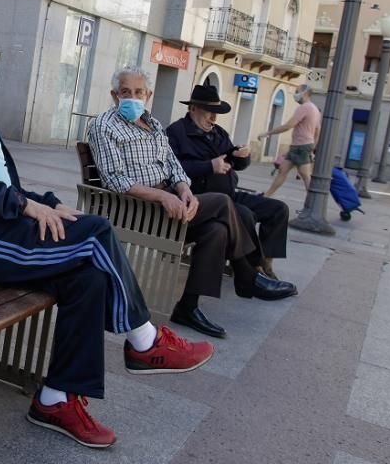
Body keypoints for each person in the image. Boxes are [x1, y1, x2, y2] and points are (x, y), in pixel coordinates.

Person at [0, 20, 214, 450]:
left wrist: (45, 199)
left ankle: (56, 398)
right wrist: (25, 206)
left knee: (87, 278)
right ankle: (145, 341)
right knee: (94, 232)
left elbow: (3, 185)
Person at [85, 67, 295, 340]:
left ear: (148, 95)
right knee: (222, 203)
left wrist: (184, 190)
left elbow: (175, 168)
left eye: (138, 92)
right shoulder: (104, 126)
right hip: (139, 210)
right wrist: (164, 195)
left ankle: (188, 307)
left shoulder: (154, 124)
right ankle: (247, 276)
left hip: (169, 204)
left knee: (217, 230)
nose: (132, 97)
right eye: (126, 92)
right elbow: (114, 180)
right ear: (115, 95)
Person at [167, 85, 298, 284]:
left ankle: (267, 265)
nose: (213, 117)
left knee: (278, 209)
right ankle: (255, 269)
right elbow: (173, 168)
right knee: (244, 215)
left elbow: (233, 160)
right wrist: (209, 166)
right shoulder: (176, 132)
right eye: (209, 112)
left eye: (216, 113)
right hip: (204, 199)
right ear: (193, 108)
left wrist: (241, 156)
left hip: (230, 193)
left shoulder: (218, 132)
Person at [258, 84, 321, 198]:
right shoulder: (315, 109)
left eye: (297, 91)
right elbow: (317, 130)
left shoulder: (304, 108)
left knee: (305, 175)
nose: (295, 94)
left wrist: (268, 133)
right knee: (283, 170)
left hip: (301, 146)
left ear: (305, 93)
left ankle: (312, 202)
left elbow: (288, 125)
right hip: (300, 145)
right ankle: (266, 196)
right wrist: (313, 146)